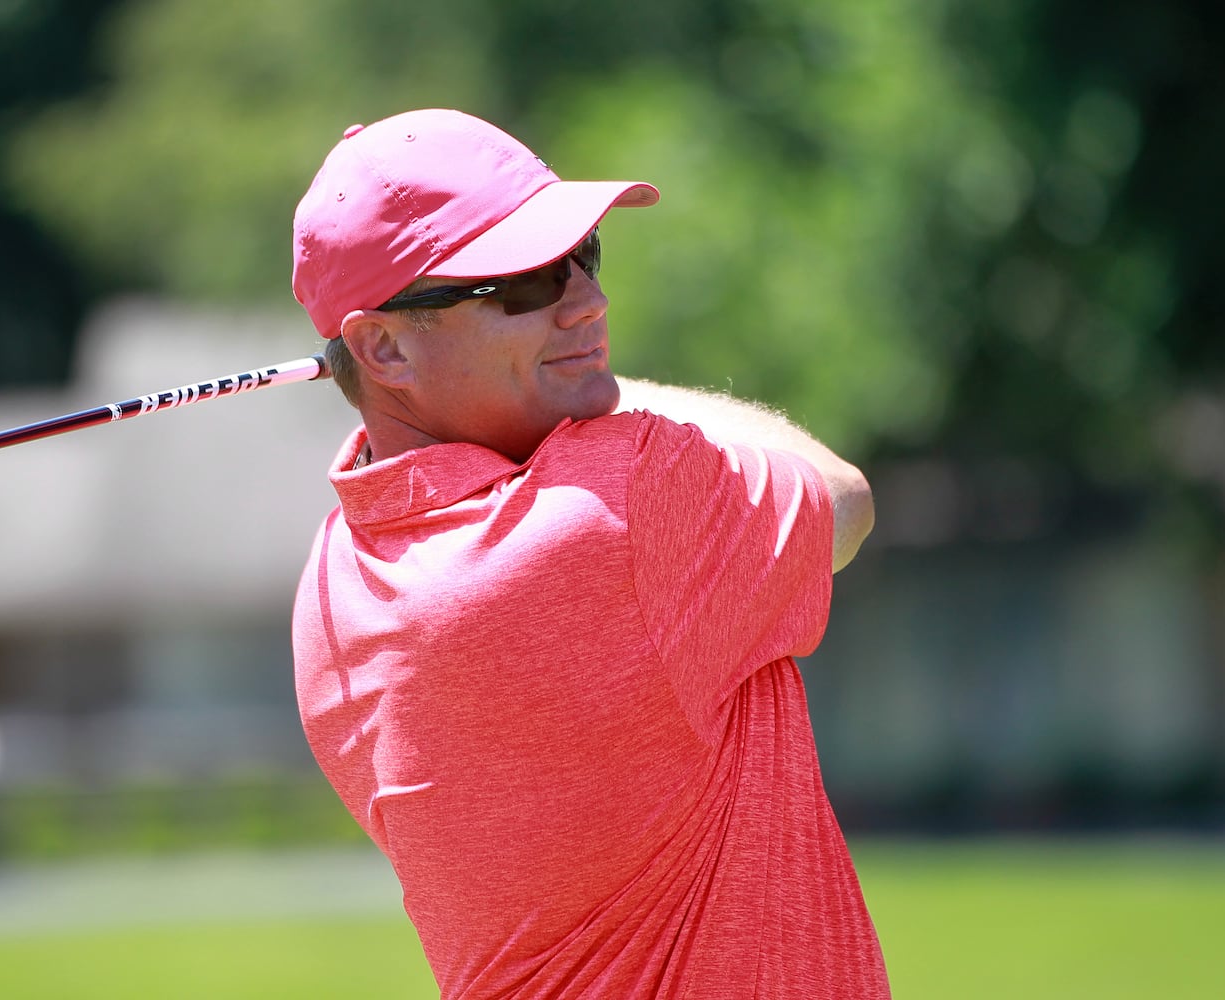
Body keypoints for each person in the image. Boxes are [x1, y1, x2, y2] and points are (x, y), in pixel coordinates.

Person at [289, 108, 886, 999]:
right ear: (382, 346)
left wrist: (554, 371)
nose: (589, 301)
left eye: (584, 258)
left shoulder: (333, 582)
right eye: (527, 283)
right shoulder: (607, 508)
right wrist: (596, 390)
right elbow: (841, 497)